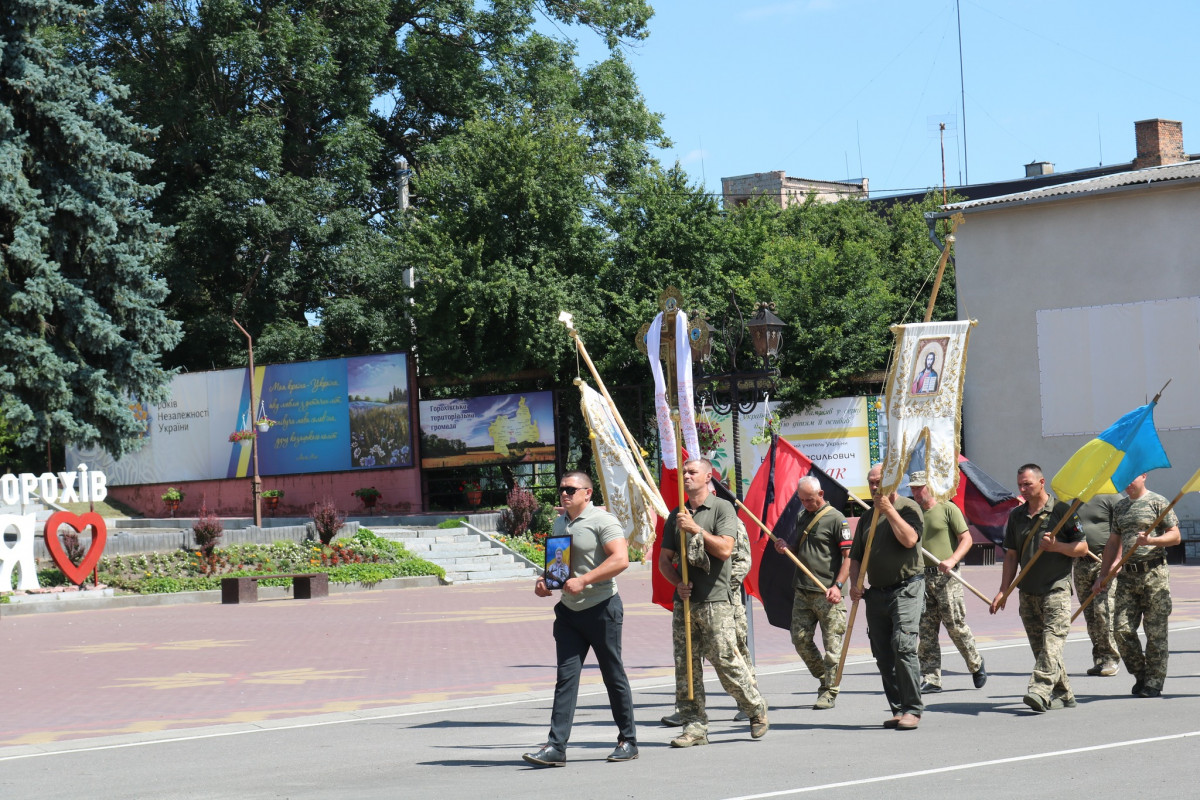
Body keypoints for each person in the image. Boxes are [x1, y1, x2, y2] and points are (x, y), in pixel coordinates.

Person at [522, 472, 638, 766]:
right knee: (566, 678)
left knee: (613, 675)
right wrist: (545, 580)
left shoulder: (603, 521)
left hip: (602, 608)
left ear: (587, 493)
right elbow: (558, 565)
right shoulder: (561, 522)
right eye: (562, 489)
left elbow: (620, 559)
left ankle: (628, 740)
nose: (564, 493)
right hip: (569, 612)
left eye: (571, 489)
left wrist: (585, 580)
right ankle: (556, 747)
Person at [658, 459, 768, 747]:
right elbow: (663, 560)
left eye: (692, 472)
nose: (686, 477)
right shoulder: (676, 515)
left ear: (708, 476)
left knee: (725, 660)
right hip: (685, 603)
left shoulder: (722, 508)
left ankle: (755, 708)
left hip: (716, 600)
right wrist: (677, 583)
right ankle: (693, 726)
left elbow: (725, 549)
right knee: (686, 666)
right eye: (684, 473)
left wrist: (696, 529)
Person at [989, 464, 1086, 713]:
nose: (1022, 489)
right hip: (1028, 591)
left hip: (1056, 588)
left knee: (1052, 642)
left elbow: (1082, 548)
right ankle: (1063, 694)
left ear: (1042, 482)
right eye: (1020, 484)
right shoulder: (1016, 516)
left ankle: (1040, 689)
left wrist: (1057, 547)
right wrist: (1004, 590)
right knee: (1042, 648)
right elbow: (1011, 555)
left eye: (1027, 484)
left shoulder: (1062, 512)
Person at [849, 463, 926, 731]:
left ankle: (912, 709)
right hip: (877, 593)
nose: (873, 487)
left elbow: (909, 539)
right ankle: (898, 707)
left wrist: (889, 510)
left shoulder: (908, 508)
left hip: (906, 588)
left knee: (902, 645)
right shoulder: (867, 518)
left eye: (879, 482)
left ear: (892, 483)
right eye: (870, 482)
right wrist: (855, 584)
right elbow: (855, 556)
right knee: (883, 653)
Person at [1096, 474, 1180, 698]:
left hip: (1154, 574)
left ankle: (1154, 682)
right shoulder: (1121, 507)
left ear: (1143, 476)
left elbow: (1175, 536)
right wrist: (1103, 576)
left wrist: (1152, 540)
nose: (1126, 482)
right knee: (1121, 629)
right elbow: (1113, 543)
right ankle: (1141, 674)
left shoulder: (1158, 502)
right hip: (1128, 577)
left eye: (1131, 477)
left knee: (1156, 633)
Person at [772, 475, 851, 710]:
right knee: (800, 639)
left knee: (832, 647)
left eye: (810, 500)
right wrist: (787, 547)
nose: (806, 504)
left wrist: (837, 587)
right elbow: (800, 547)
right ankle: (826, 678)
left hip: (828, 593)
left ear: (821, 495)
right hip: (803, 590)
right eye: (802, 500)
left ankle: (829, 691)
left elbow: (848, 557)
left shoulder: (837, 519)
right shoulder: (802, 516)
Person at [909, 471, 987, 693]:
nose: (915, 492)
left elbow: (966, 538)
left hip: (947, 577)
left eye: (919, 487)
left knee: (955, 625)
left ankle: (976, 663)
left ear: (930, 486)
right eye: (913, 488)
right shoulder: (912, 514)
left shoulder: (947, 508)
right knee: (926, 629)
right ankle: (931, 677)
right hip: (922, 577)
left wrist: (952, 559)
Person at [1073, 492, 1122, 677]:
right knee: (1090, 614)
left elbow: (1123, 531)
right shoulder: (1076, 499)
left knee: (1103, 610)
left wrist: (1118, 560)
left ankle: (1111, 658)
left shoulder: (1111, 496)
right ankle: (1100, 658)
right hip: (1081, 563)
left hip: (1103, 561)